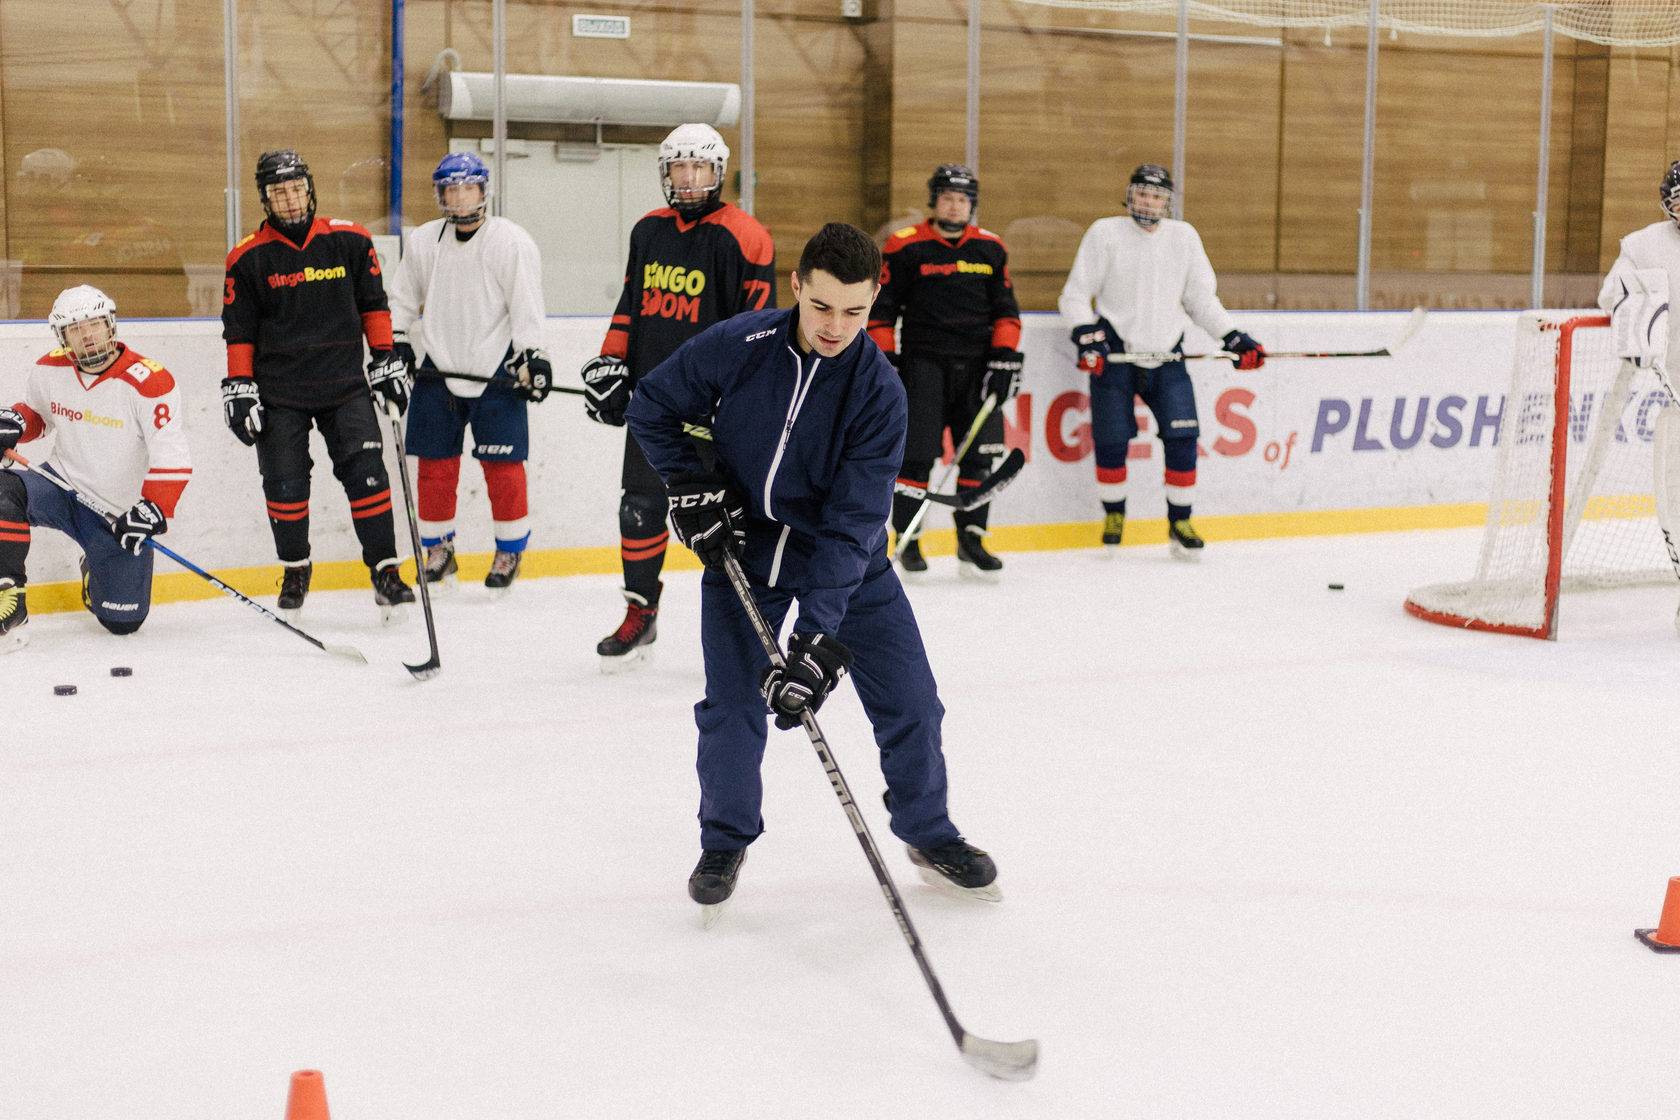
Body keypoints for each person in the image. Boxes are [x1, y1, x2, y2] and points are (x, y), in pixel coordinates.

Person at [625, 222, 1001, 911]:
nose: (836, 326)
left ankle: (928, 831)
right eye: (822, 306)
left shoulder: (880, 393)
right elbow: (653, 404)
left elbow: (853, 525)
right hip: (744, 552)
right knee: (732, 710)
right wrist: (688, 484)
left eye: (854, 312)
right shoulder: (742, 344)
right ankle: (725, 838)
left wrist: (816, 641)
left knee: (913, 703)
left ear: (874, 302)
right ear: (796, 287)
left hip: (850, 568)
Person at [581, 122, 776, 672]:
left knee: (727, 524)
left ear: (718, 172)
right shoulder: (648, 230)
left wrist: (736, 403)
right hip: (656, 406)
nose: (688, 179)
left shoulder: (746, 236)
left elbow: (757, 329)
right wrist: (612, 365)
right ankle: (641, 612)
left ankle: (744, 631)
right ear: (665, 173)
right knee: (640, 509)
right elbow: (630, 305)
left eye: (700, 168)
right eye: (678, 168)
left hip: (716, 413)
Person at [220, 149, 415, 619]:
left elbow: (374, 305)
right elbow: (239, 331)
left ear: (310, 188)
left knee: (368, 475)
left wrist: (386, 358)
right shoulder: (247, 257)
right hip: (279, 392)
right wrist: (239, 384)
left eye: (296, 189)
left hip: (345, 385)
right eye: (278, 192)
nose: (290, 200)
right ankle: (295, 568)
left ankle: (386, 571)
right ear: (265, 199)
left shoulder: (350, 239)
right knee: (285, 485)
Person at [1057, 163, 1265, 558]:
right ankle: (1114, 515)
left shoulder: (1184, 237)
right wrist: (1087, 334)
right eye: (1142, 193)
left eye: (1157, 195)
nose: (1149, 201)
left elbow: (1201, 299)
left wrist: (1232, 336)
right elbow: (1075, 295)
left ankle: (1180, 521)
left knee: (1183, 438)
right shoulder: (1105, 233)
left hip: (1168, 353)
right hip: (1115, 356)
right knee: (1112, 440)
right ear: (1129, 195)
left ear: (1168, 202)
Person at [388, 151, 552, 596]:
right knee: (434, 466)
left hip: (497, 365)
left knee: (503, 465)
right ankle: (438, 550)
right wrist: (399, 340)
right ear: (441, 194)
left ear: (483, 190)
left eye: (467, 187)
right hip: (438, 366)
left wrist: (532, 355)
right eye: (450, 188)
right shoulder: (424, 240)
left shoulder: (510, 241)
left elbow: (526, 305)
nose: (459, 197)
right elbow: (402, 297)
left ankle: (509, 549)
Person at [0, 285, 192, 649]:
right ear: (63, 336)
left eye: (95, 324)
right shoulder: (49, 367)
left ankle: (95, 562)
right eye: (75, 328)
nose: (87, 335)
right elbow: (39, 415)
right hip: (59, 484)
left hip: (114, 512)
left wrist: (155, 508)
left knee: (123, 622)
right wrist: (16, 424)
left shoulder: (150, 381)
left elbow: (172, 452)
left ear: (111, 325)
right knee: (2, 490)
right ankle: (7, 596)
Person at [868, 163, 1022, 582]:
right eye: (948, 198)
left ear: (972, 205)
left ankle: (971, 540)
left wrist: (1005, 357)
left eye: (963, 200)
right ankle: (910, 537)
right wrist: (890, 361)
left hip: (978, 368)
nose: (955, 206)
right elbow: (881, 313)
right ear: (934, 202)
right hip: (923, 366)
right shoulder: (904, 246)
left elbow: (1006, 311)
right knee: (916, 456)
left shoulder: (991, 248)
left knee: (978, 457)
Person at [1597, 160, 1680, 634]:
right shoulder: (1645, 245)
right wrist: (1634, 315)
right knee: (1677, 507)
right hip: (1678, 401)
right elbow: (1612, 294)